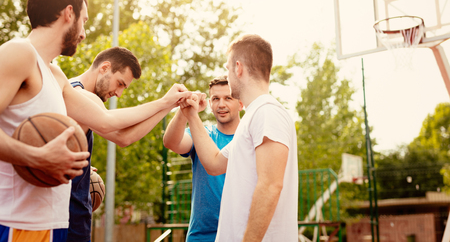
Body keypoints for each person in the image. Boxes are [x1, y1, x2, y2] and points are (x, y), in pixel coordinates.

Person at [0, 0, 190, 242]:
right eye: (84, 21)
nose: (84, 33)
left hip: (52, 223)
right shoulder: (19, 52)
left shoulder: (55, 76)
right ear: (69, 13)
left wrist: (167, 102)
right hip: (14, 222)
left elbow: (106, 120)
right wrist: (37, 156)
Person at [180, 34, 298, 241]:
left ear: (238, 68)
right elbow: (214, 163)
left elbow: (270, 186)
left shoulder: (267, 112)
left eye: (227, 68)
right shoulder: (253, 117)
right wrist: (191, 115)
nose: (227, 73)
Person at [67, 46, 178, 242]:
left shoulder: (77, 94)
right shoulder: (78, 93)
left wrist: (169, 105)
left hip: (73, 212)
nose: (118, 93)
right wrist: (163, 102)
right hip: (68, 213)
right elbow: (114, 128)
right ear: (104, 67)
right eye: (119, 83)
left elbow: (124, 137)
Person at [163, 75, 243, 242]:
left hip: (240, 234)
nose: (221, 104)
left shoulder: (250, 138)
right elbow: (171, 142)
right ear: (210, 104)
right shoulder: (202, 134)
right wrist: (184, 111)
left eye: (228, 98)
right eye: (215, 98)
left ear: (241, 103)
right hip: (201, 236)